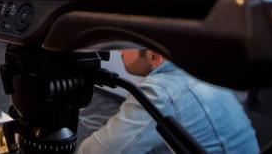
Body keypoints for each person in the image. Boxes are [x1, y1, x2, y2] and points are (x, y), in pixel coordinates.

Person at [76, 49, 259, 154]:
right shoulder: (199, 74)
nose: (120, 52)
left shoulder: (162, 91)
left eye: (127, 45)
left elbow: (96, 152)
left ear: (153, 55)